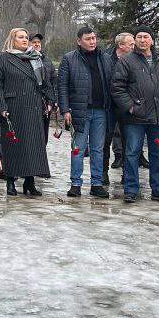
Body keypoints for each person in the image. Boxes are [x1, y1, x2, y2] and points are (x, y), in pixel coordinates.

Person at [111, 26, 159, 203]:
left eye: (146, 36)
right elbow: (117, 87)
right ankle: (131, 189)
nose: (142, 40)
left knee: (158, 154)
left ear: (152, 40)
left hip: (158, 117)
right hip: (135, 118)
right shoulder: (126, 61)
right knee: (132, 153)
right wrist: (130, 107)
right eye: (139, 36)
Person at [0, 27, 56, 196]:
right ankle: (10, 181)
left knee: (33, 146)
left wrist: (50, 101)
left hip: (34, 107)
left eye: (26, 37)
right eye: (21, 37)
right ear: (13, 40)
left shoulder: (36, 58)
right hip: (13, 108)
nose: (25, 40)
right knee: (14, 146)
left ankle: (29, 181)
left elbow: (46, 82)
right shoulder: (4, 58)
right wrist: (1, 106)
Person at [58, 25, 114, 199]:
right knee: (78, 148)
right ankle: (76, 183)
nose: (92, 42)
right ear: (79, 41)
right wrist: (65, 109)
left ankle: (97, 183)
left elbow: (111, 82)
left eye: (94, 38)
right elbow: (62, 86)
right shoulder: (69, 59)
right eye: (88, 39)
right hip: (79, 110)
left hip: (101, 111)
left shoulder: (105, 58)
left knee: (98, 149)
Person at [104, 32, 137, 172]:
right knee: (105, 140)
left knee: (128, 141)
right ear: (121, 45)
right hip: (108, 105)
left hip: (127, 105)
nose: (134, 46)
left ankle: (127, 173)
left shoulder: (135, 59)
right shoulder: (105, 58)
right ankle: (103, 173)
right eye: (131, 44)